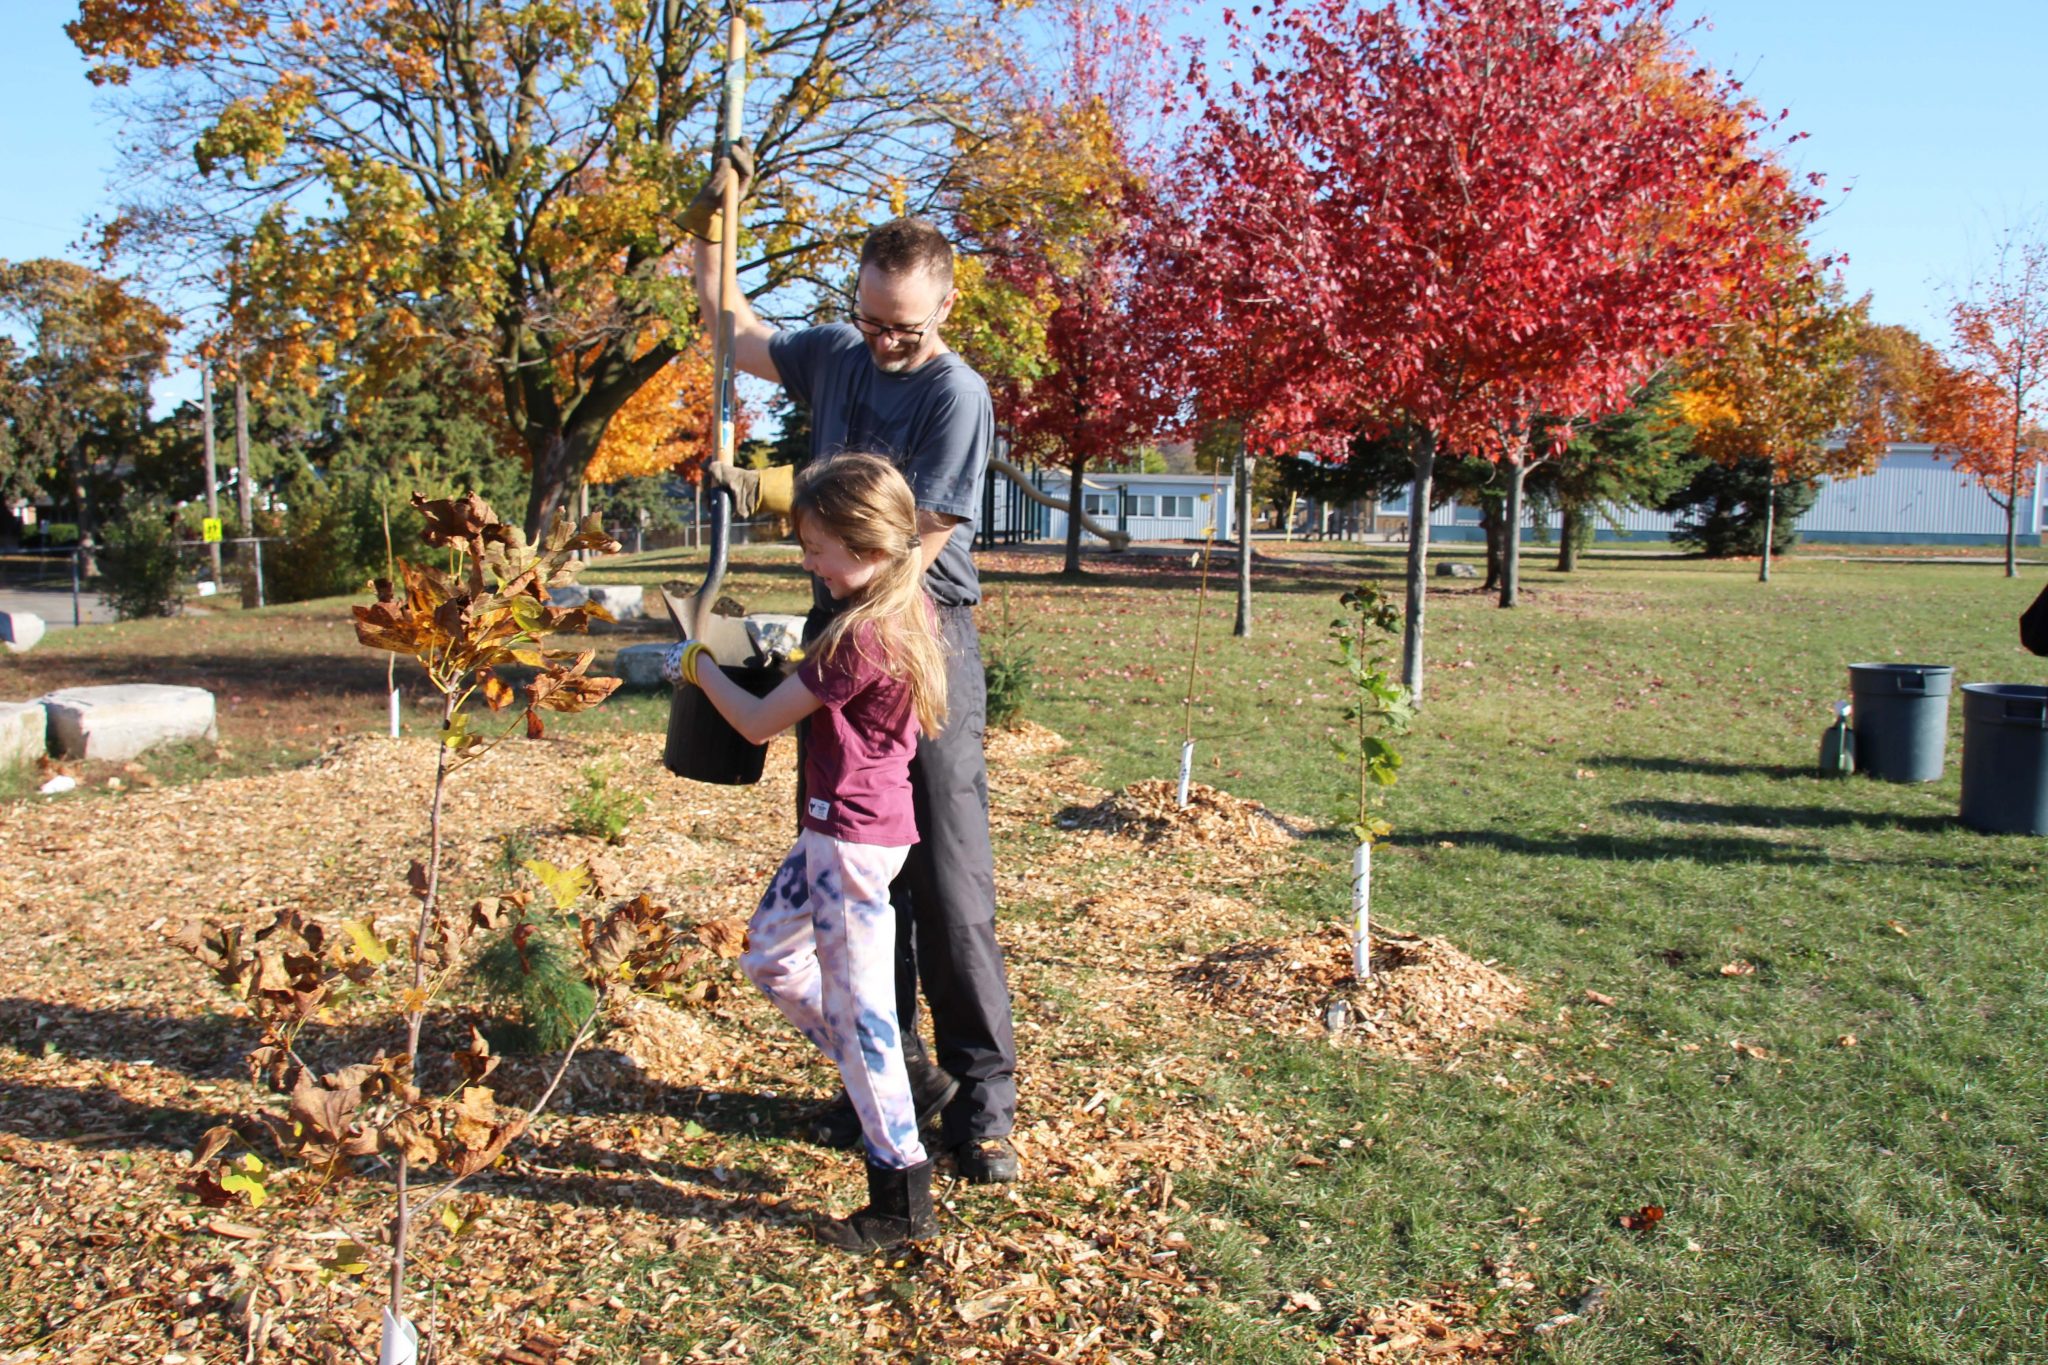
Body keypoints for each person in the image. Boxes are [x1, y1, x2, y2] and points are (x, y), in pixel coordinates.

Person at [684, 150, 1021, 1184]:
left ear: (945, 306)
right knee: (852, 871)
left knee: (944, 875)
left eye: (902, 328)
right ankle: (898, 1083)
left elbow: (907, 545)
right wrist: (711, 222)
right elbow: (728, 326)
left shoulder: (954, 395)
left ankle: (986, 1101)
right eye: (870, 320)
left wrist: (787, 514)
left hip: (917, 633)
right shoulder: (835, 353)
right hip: (840, 627)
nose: (881, 343)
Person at [662, 453, 949, 1250]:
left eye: (818, 547)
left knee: (864, 1022)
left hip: (851, 842)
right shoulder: (897, 606)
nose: (808, 560)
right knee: (769, 957)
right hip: (841, 830)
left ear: (865, 546)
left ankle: (900, 1196)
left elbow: (757, 722)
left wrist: (701, 666)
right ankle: (899, 1079)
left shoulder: (859, 635)